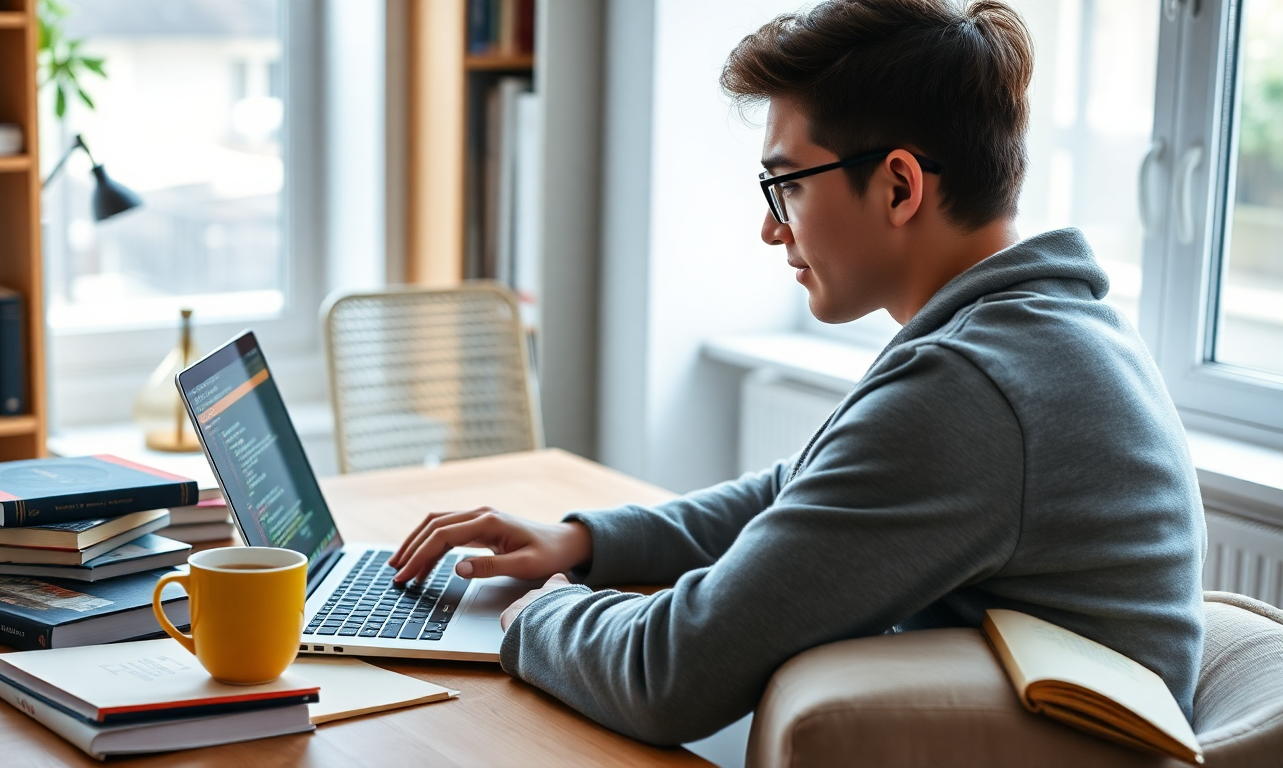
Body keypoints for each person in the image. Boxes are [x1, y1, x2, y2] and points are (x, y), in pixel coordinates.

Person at [388, 0, 1205, 745]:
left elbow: (669, 676)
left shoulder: (973, 389)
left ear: (898, 186)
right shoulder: (1034, 332)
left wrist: (541, 613)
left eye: (785, 186)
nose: (771, 230)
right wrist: (585, 541)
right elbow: (804, 489)